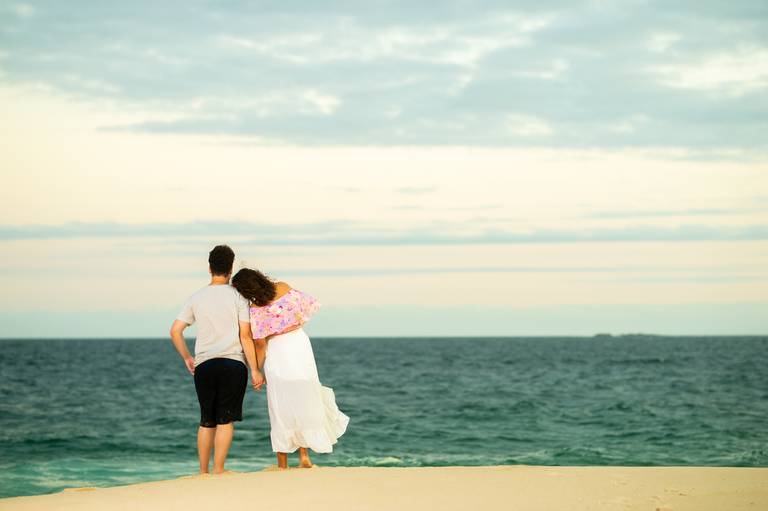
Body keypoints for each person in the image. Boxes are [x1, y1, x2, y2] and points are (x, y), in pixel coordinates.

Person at [231, 267, 349, 469]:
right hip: (299, 344)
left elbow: (260, 344)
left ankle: (282, 462)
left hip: (277, 351)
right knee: (305, 397)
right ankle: (304, 457)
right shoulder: (284, 287)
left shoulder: (255, 309)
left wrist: (256, 370)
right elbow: (306, 308)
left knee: (280, 404)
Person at [169, 245, 265, 475]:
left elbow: (175, 331)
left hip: (204, 364)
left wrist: (187, 357)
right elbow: (245, 335)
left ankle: (203, 472)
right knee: (225, 420)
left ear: (209, 268)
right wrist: (255, 369)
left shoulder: (196, 297)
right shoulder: (238, 296)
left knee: (206, 420)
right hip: (233, 364)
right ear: (231, 269)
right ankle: (219, 469)